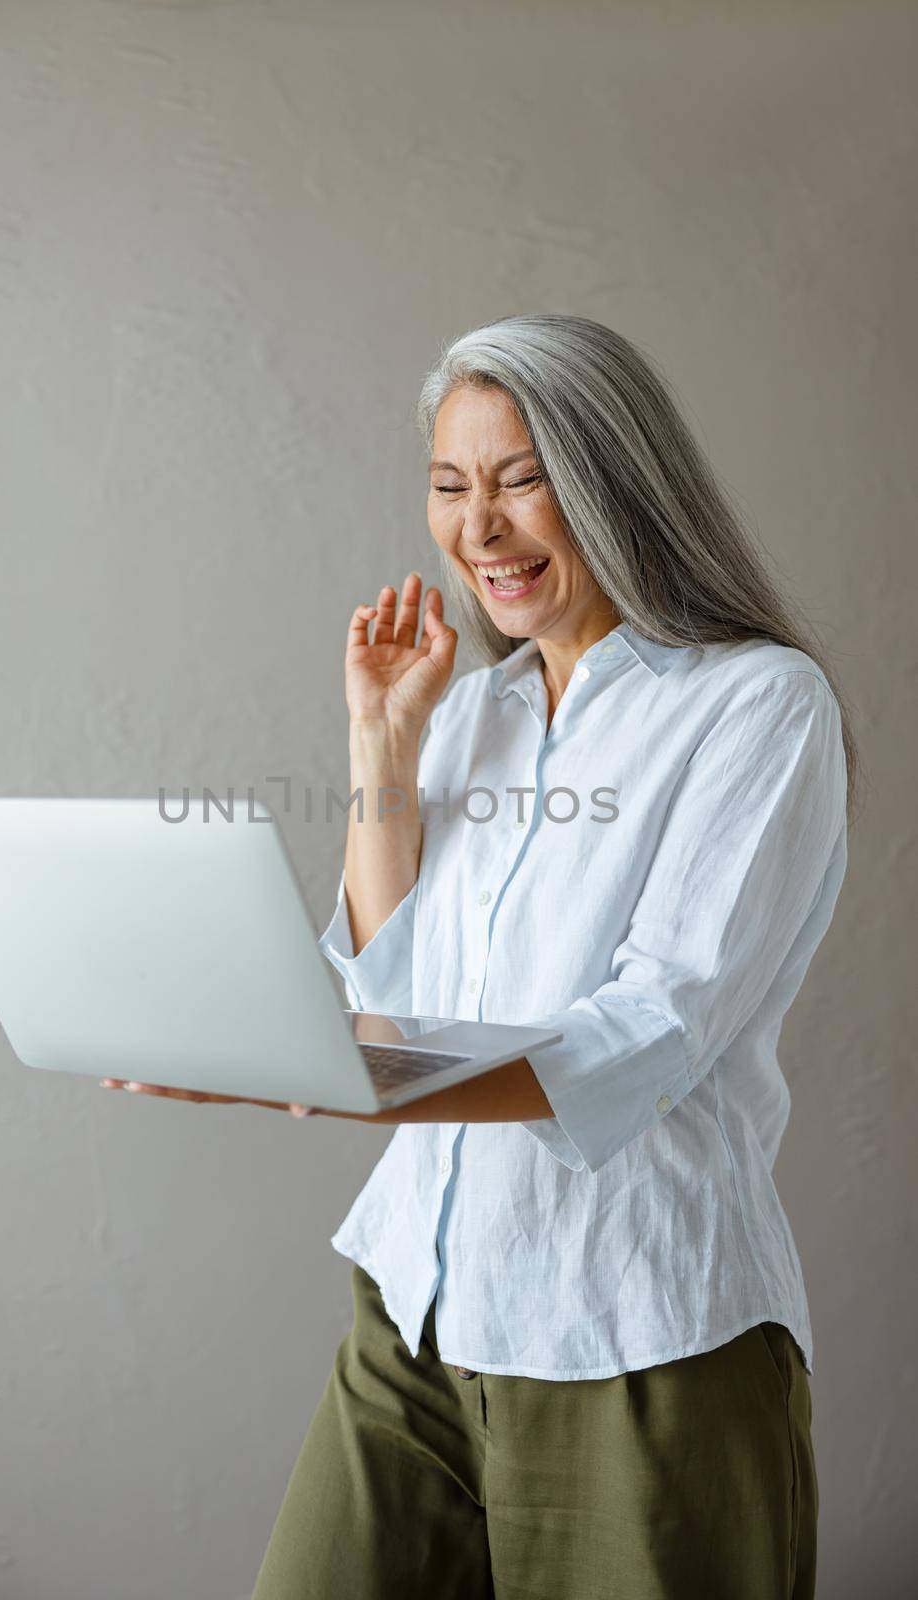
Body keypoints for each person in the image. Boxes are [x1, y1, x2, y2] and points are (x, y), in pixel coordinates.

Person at [102, 314, 857, 1598]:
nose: (478, 527)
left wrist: (346, 1072)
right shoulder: (476, 710)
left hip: (634, 1338)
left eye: (519, 478)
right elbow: (390, 1000)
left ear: (616, 478)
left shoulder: (754, 704)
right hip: (415, 1309)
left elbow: (650, 1035)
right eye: (450, 486)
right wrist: (381, 748)